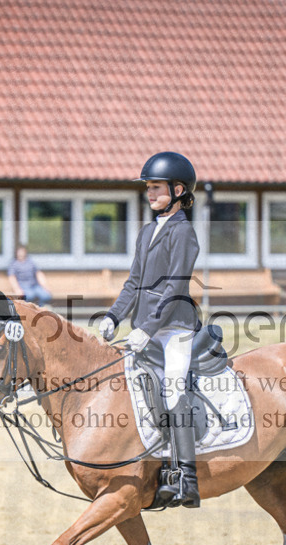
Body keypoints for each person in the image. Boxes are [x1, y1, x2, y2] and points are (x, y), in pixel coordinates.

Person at [99, 151, 202, 509]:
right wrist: (113, 316)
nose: (150, 193)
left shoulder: (184, 232)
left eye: (156, 187)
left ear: (178, 190)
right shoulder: (147, 232)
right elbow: (133, 283)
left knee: (172, 391)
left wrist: (147, 327)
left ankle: (187, 478)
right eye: (148, 188)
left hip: (174, 329)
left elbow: (175, 287)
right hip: (144, 329)